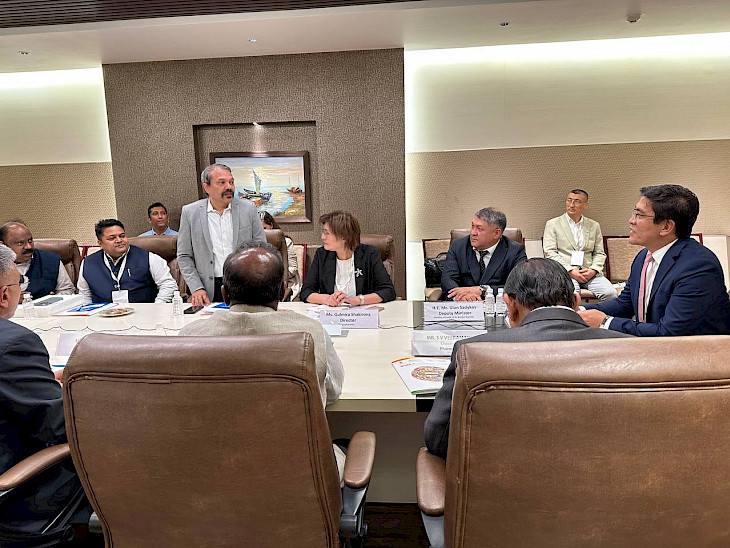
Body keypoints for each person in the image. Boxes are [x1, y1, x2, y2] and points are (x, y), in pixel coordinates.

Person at [424, 258, 631, 460]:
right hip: (606, 477)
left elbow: (438, 439)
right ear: (577, 302)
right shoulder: (628, 348)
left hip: (502, 479)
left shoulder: (471, 351)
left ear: (510, 305)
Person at [179, 241, 346, 475]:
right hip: (296, 475)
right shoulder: (310, 333)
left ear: (224, 294)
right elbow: (333, 392)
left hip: (212, 474)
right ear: (282, 292)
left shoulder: (189, 337)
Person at [0, 244, 89, 535]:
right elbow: (60, 427)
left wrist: (39, 381)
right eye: (19, 284)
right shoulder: (14, 343)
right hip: (17, 490)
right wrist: (80, 392)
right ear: (4, 295)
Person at [579, 184, 730, 336]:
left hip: (693, 349)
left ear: (666, 227)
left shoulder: (698, 266)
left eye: (639, 215)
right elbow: (625, 304)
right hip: (652, 345)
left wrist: (605, 322)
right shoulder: (643, 257)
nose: (631, 220)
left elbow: (669, 332)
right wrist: (578, 311)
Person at [177, 163, 266, 306]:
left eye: (231, 182)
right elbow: (184, 256)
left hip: (245, 284)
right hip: (208, 288)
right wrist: (196, 288)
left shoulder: (248, 209)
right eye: (221, 182)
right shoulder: (190, 213)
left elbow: (262, 249)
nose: (229, 187)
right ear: (206, 187)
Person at [300, 211, 396, 306]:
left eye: (327, 233)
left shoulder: (369, 254)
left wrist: (359, 300)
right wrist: (326, 299)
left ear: (344, 237)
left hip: (361, 312)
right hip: (331, 312)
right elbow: (306, 292)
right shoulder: (322, 255)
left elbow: (388, 291)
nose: (322, 237)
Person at [78, 219, 178, 303]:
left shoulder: (149, 258)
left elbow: (168, 285)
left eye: (122, 236)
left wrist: (156, 308)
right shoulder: (88, 263)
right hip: (103, 317)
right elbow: (84, 295)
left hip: (143, 316)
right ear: (100, 243)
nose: (119, 240)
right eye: (112, 238)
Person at [543, 189, 616, 301]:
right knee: (572, 294)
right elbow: (550, 252)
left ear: (585, 205)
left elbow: (599, 253)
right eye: (569, 200)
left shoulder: (594, 225)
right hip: (565, 272)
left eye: (577, 201)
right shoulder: (553, 224)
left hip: (589, 273)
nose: (571, 205)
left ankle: (596, 313)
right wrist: (570, 271)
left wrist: (593, 270)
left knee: (610, 294)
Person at [441, 207, 527, 301]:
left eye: (479, 229)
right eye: (472, 226)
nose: (473, 233)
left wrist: (482, 290)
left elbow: (520, 286)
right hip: (463, 305)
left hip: (498, 304)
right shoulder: (458, 246)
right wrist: (462, 297)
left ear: (496, 233)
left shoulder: (515, 251)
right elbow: (448, 280)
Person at [0, 222, 75, 300]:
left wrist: (54, 300)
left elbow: (67, 289)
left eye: (30, 241)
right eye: (20, 243)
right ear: (3, 245)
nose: (28, 246)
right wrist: (10, 300)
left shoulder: (50, 260)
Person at [260, 211, 300, 300]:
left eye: (264, 228)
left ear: (271, 226)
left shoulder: (286, 242)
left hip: (286, 284)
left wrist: (274, 276)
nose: (263, 233)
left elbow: (293, 268)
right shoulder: (255, 244)